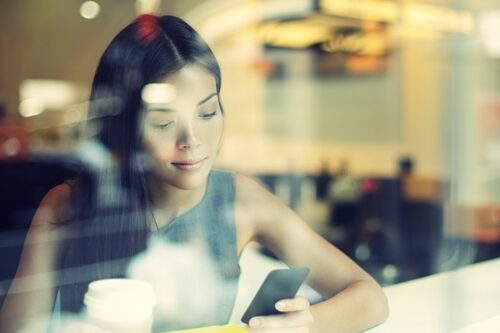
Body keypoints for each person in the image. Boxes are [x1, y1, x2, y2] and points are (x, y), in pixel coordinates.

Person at [0, 15, 388, 333]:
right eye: (164, 123)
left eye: (207, 113)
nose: (193, 140)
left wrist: (306, 325)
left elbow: (370, 298)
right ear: (124, 129)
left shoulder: (242, 199)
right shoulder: (68, 206)